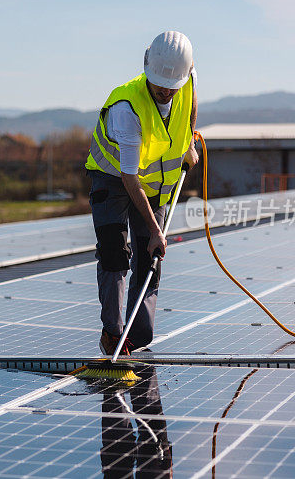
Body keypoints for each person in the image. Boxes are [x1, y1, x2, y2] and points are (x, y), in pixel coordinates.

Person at [85, 31, 199, 356]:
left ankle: (135, 338)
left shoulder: (186, 77)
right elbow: (129, 177)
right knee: (115, 252)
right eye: (159, 82)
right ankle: (113, 336)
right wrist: (154, 230)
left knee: (151, 257)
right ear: (147, 67)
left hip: (156, 183)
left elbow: (192, 100)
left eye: (172, 84)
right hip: (113, 178)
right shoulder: (127, 108)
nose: (165, 90)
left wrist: (189, 139)